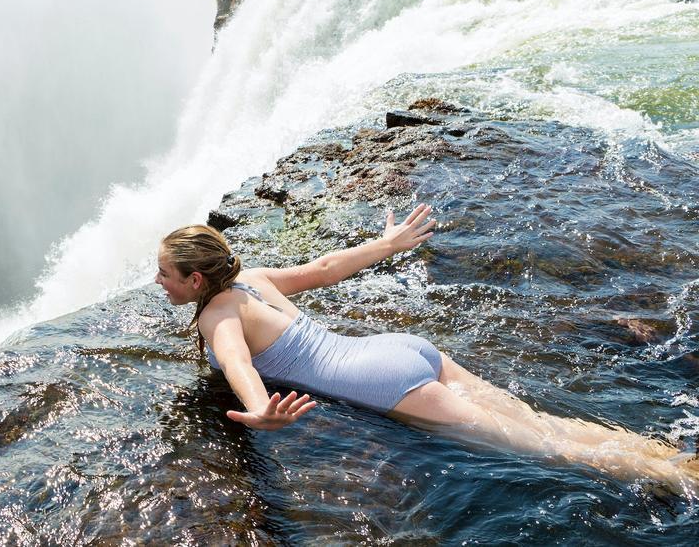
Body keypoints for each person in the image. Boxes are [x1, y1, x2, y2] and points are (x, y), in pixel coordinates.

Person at [155, 204, 698, 495]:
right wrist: (386, 244)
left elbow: (238, 363)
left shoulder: (218, 315)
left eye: (166, 275)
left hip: (381, 382)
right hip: (402, 351)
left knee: (550, 450)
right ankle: (672, 461)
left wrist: (257, 411)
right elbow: (323, 270)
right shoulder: (253, 278)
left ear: (198, 279)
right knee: (543, 423)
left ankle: (676, 478)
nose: (159, 283)